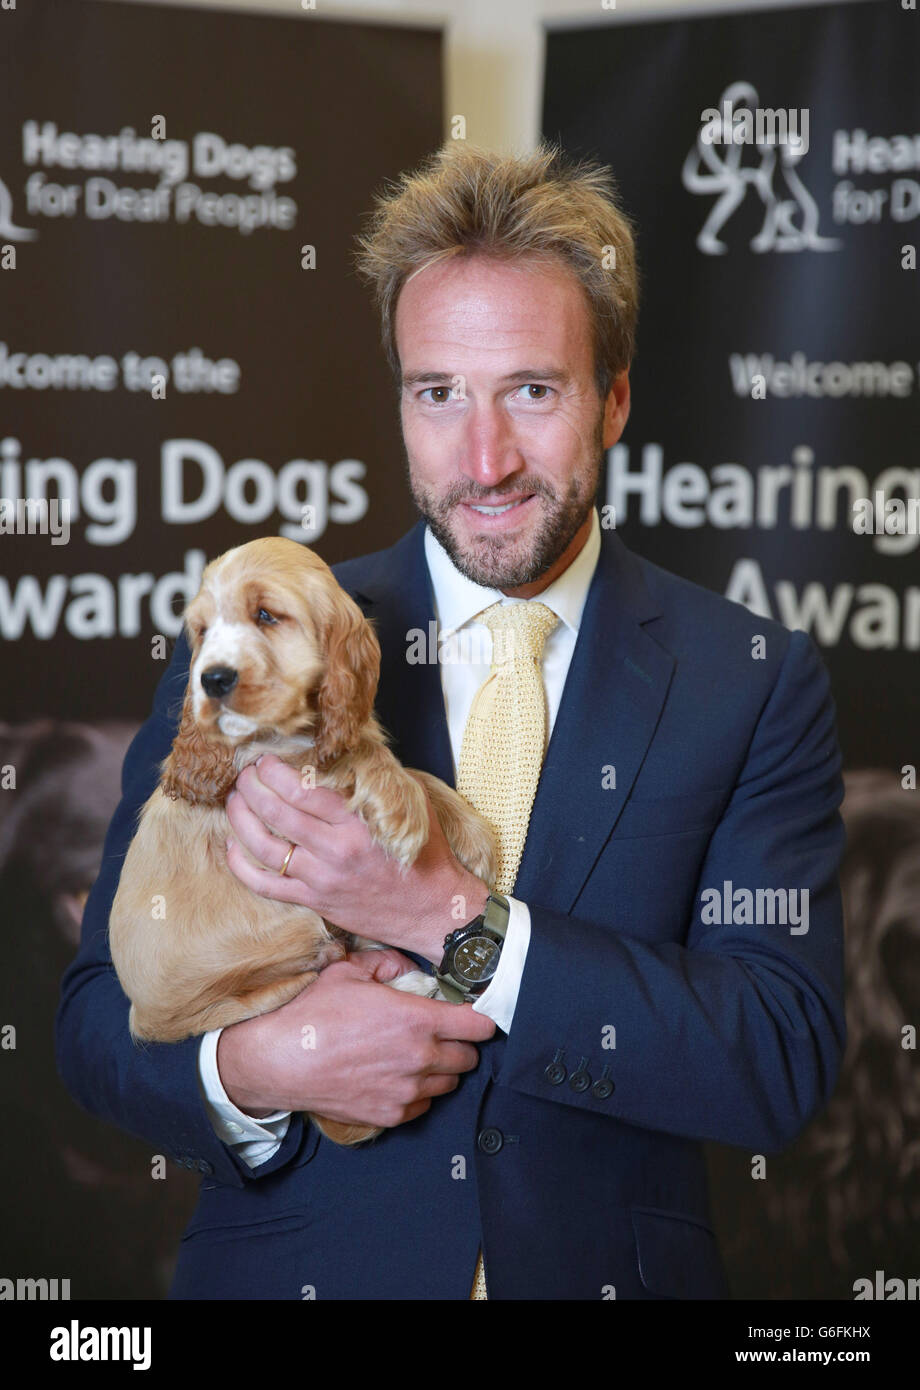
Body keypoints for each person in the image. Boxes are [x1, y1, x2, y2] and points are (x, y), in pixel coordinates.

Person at [55, 142, 846, 1301]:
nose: (483, 461)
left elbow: (776, 1052)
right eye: (437, 395)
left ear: (613, 398)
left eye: (531, 390)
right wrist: (263, 1064)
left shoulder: (750, 679)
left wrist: (443, 916)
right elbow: (89, 1023)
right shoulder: (267, 642)